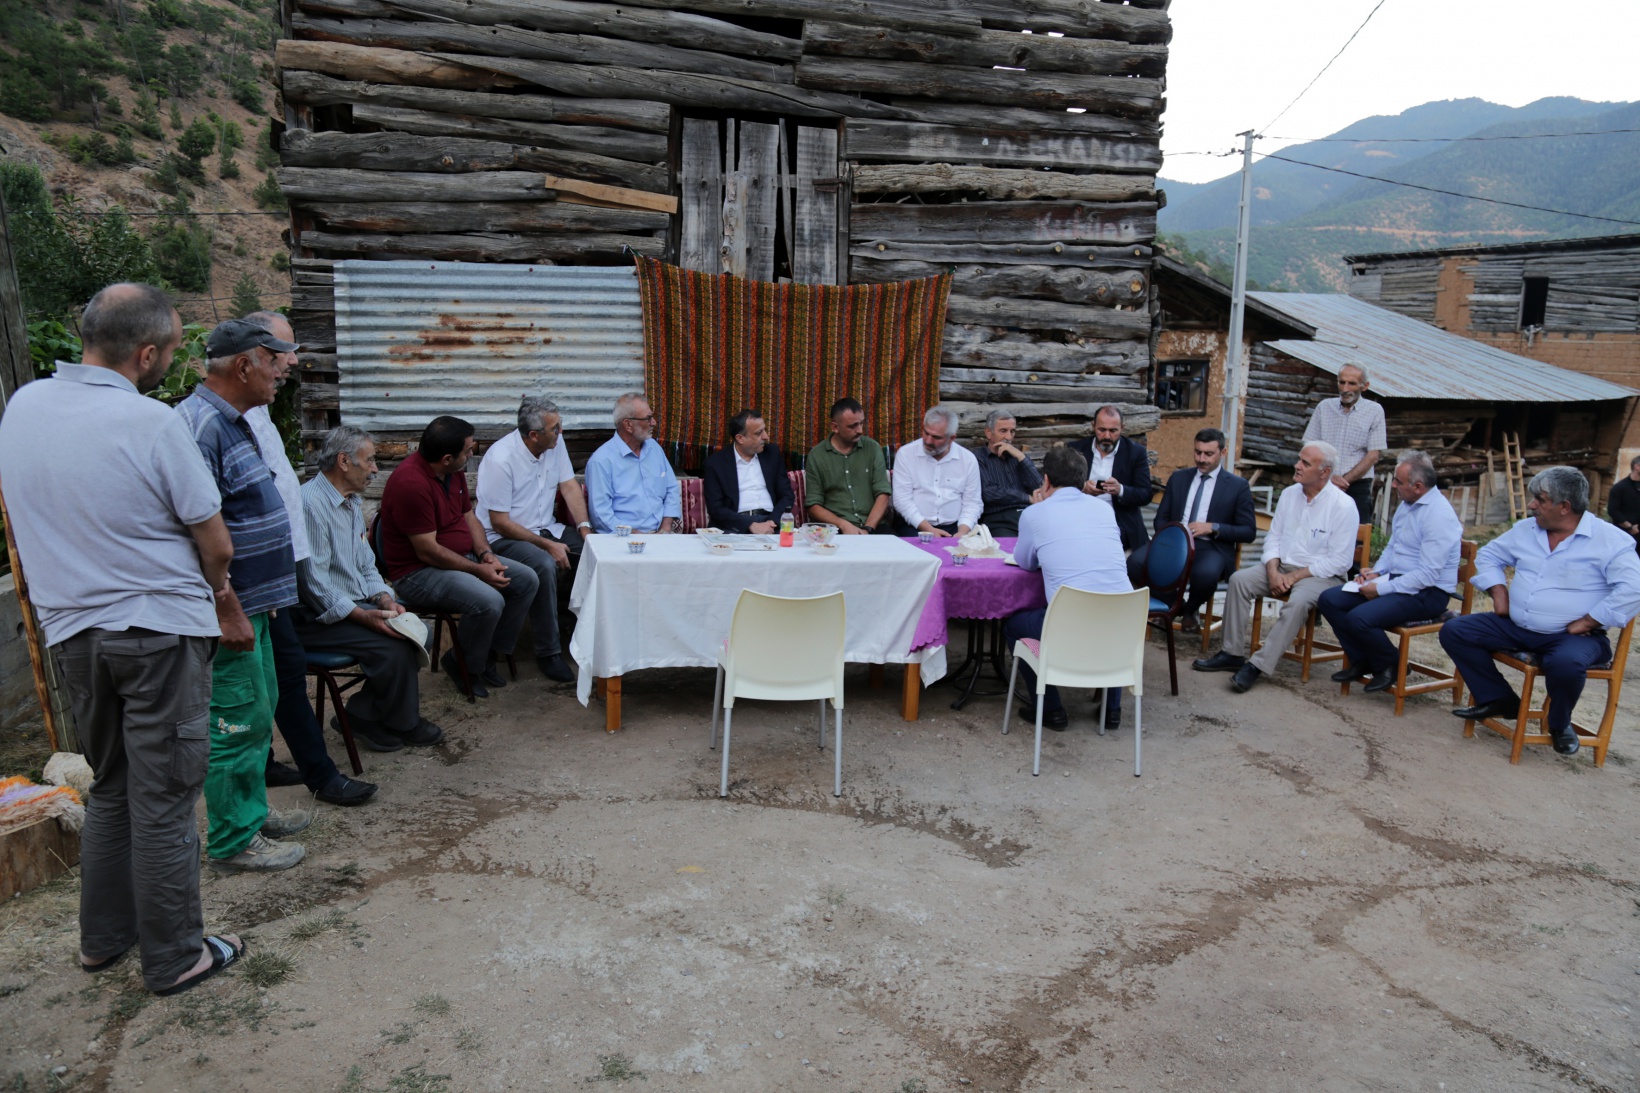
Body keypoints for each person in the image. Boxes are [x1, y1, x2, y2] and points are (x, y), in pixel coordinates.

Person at [0, 283, 245, 994]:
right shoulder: (150, 422)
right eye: (171, 350)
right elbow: (215, 541)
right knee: (166, 795)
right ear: (145, 354)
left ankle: (103, 940)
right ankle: (176, 955)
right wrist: (222, 598)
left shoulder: (24, 406)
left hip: (72, 633)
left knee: (113, 787)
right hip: (157, 634)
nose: (172, 360)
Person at [176, 317, 312, 872]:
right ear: (243, 364)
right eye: (274, 359)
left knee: (259, 709)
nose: (283, 369)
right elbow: (192, 526)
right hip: (232, 606)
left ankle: (249, 812)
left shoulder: (234, 419)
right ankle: (234, 838)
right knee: (234, 718)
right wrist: (224, 601)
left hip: (256, 600)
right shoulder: (201, 425)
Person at [241, 312, 376, 807]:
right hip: (257, 577)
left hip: (279, 569)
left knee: (276, 679)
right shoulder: (224, 422)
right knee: (274, 678)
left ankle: (266, 763)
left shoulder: (258, 414)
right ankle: (321, 776)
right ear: (248, 359)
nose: (293, 363)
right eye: (282, 353)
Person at [1441, 466, 1640, 756]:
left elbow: (1633, 588)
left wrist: (1589, 620)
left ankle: (1559, 724)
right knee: (1456, 630)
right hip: (1517, 626)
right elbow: (1489, 555)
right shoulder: (1526, 529)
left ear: (1564, 507)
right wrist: (1498, 591)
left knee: (1566, 663)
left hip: (1572, 637)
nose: (1532, 504)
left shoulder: (1610, 541)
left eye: (1540, 499)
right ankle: (1500, 699)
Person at [296, 425, 446, 751]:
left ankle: (362, 713)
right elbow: (313, 585)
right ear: (344, 462)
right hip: (315, 615)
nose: (376, 469)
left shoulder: (350, 502)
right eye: (371, 461)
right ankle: (401, 722)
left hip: (354, 602)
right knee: (395, 646)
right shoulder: (310, 504)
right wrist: (363, 616)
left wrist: (383, 598)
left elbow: (367, 564)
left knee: (420, 632)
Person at [380, 415, 537, 699]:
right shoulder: (410, 484)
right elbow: (427, 550)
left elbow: (469, 516)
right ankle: (463, 664)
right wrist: (478, 571)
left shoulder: (454, 471)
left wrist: (485, 553)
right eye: (467, 450)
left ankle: (486, 654)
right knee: (489, 601)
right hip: (418, 572)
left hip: (459, 557)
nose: (472, 452)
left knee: (525, 579)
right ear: (446, 458)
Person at [1193, 442, 1359, 693]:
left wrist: (1294, 577)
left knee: (1299, 601)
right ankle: (1231, 653)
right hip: (1282, 567)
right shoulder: (1291, 494)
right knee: (1239, 580)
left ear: (1324, 472)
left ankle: (1257, 666)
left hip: (1320, 574)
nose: (1297, 465)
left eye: (1305, 463)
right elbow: (1274, 538)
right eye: (1299, 459)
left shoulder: (1343, 506)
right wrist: (1272, 570)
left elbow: (1340, 562)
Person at [1003, 446, 1132, 730]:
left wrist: (1036, 511)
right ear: (1082, 479)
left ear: (1046, 480)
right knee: (1108, 612)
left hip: (1068, 625)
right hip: (1124, 622)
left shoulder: (1036, 514)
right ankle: (1111, 711)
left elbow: (1025, 562)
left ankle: (1050, 708)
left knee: (1013, 626)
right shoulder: (1103, 510)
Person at [1316, 450, 1462, 693]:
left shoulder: (1439, 516)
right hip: (1400, 582)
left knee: (1360, 617)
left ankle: (1392, 664)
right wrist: (1377, 571)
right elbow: (1394, 546)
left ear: (1418, 486)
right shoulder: (1409, 503)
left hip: (1428, 593)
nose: (1393, 485)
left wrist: (1381, 588)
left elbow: (1427, 575)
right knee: (1330, 599)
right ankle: (1362, 660)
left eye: (1398, 481)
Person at [476, 396, 595, 682]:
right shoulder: (501, 458)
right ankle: (548, 651)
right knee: (543, 564)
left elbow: (568, 486)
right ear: (533, 435)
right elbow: (499, 522)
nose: (561, 432)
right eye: (555, 428)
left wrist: (585, 529)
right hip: (503, 537)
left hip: (547, 528)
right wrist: (547, 544)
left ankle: (585, 634)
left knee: (595, 552)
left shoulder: (554, 444)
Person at [1126, 427, 1256, 633]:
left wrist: (1213, 528)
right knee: (1134, 563)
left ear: (1222, 453)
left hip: (1210, 546)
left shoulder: (1237, 486)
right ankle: (1177, 605)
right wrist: (1174, 535)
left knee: (1205, 575)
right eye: (1198, 452)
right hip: (1174, 543)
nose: (1202, 459)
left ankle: (1191, 610)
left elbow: (1248, 532)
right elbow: (1161, 519)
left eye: (1208, 454)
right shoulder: (1179, 478)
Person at [584, 391, 681, 534]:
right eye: (648, 418)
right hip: (622, 538)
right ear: (628, 425)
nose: (653, 423)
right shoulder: (601, 461)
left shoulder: (654, 448)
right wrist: (637, 535)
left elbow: (671, 488)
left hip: (662, 534)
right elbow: (601, 515)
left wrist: (665, 527)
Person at [1303, 363, 1385, 524]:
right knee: (1316, 529)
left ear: (1365, 386)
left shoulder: (1374, 411)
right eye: (1341, 382)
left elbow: (1373, 456)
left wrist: (1344, 480)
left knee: (1356, 535)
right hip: (1322, 481)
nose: (1345, 388)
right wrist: (1329, 477)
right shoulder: (1324, 407)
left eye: (1352, 383)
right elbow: (1309, 446)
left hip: (1357, 485)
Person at [1067, 405, 1153, 552]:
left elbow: (1145, 494)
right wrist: (1082, 488)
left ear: (1122, 428)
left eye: (1113, 431)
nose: (1107, 436)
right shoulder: (1076, 450)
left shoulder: (1135, 452)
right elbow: (1060, 486)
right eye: (1102, 430)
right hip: (1081, 517)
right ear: (1093, 426)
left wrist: (1121, 490)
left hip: (1119, 521)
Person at [805, 397, 893, 535]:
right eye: (852, 426)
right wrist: (843, 524)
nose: (859, 430)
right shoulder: (817, 456)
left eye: (861, 423)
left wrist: (868, 528)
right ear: (835, 427)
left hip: (873, 526)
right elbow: (813, 505)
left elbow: (883, 493)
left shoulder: (872, 448)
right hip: (836, 529)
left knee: (898, 551)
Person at [892, 405, 982, 537]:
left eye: (936, 437)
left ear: (952, 438)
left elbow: (973, 502)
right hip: (914, 526)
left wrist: (962, 532)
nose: (928, 440)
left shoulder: (968, 459)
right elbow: (902, 500)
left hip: (956, 527)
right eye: (926, 433)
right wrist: (930, 530)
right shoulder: (906, 454)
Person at [703, 408, 795, 534]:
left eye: (764, 430)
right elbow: (715, 508)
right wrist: (749, 524)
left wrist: (772, 522)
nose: (766, 436)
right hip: (735, 525)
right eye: (758, 433)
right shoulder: (715, 463)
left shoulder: (772, 454)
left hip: (772, 522)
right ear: (740, 438)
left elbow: (787, 495)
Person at [972, 409, 1042, 539]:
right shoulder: (978, 458)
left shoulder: (1018, 457)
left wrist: (1021, 456)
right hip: (999, 520)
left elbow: (1038, 487)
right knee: (1010, 549)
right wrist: (1027, 498)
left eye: (1012, 431)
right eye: (1003, 431)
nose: (1009, 437)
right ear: (988, 432)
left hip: (1028, 517)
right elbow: (989, 493)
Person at [1605, 453, 1640, 554]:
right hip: (1624, 535)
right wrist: (1629, 527)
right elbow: (1613, 510)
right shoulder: (1619, 487)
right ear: (1637, 467)